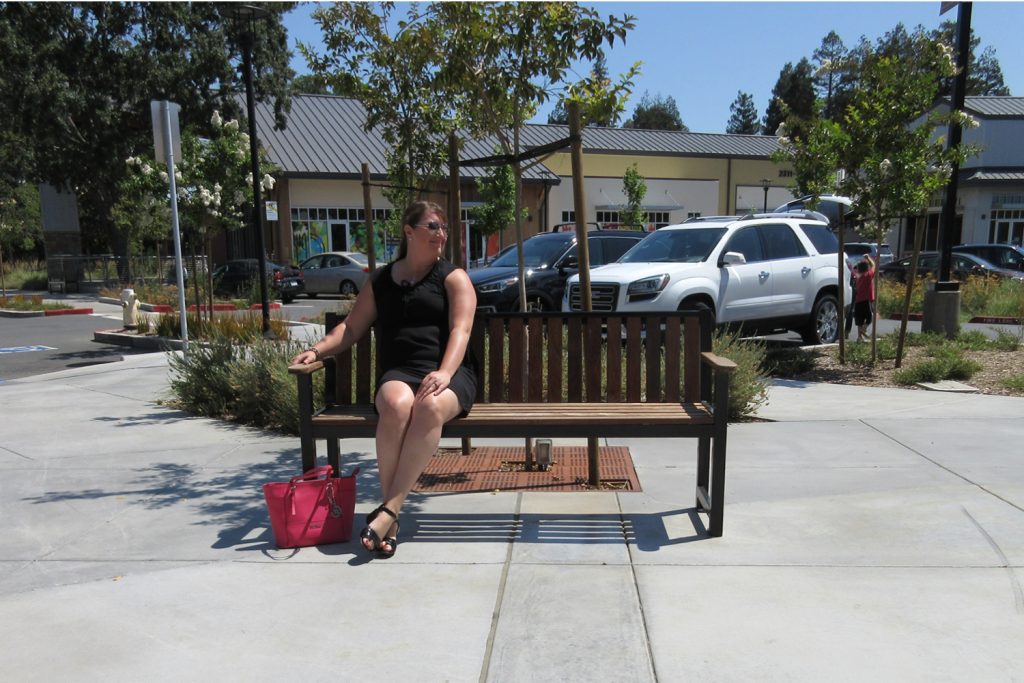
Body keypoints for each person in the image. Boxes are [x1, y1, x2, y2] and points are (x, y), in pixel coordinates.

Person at [291, 201, 478, 558]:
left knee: (429, 405)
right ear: (409, 232)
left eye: (443, 228)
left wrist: (444, 372)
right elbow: (350, 327)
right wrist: (316, 351)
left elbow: (462, 329)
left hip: (449, 373)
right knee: (395, 403)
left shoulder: (453, 278)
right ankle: (391, 517)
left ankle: (389, 511)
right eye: (433, 227)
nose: (442, 234)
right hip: (400, 371)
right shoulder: (381, 281)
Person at [852, 255, 876, 341]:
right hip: (866, 300)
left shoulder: (857, 276)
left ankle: (859, 337)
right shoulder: (868, 275)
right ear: (867, 268)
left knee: (860, 319)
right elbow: (873, 265)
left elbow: (854, 268)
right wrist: (868, 257)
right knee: (870, 317)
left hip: (858, 300)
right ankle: (863, 330)